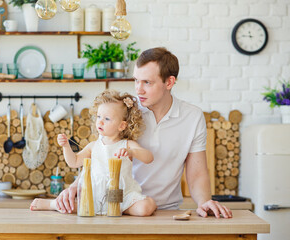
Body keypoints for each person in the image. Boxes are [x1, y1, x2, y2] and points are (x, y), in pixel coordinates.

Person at [51, 47, 232, 219]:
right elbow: (100, 156)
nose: (138, 89)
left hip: (166, 212)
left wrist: (204, 202)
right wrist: (75, 187)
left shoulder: (192, 117)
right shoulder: (125, 112)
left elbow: (197, 173)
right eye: (136, 80)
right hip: (119, 207)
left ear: (169, 82)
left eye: (147, 82)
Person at [30, 90, 157, 216]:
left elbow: (148, 158)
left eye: (107, 119)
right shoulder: (93, 146)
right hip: (95, 195)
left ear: (122, 126)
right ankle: (52, 204)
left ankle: (126, 208)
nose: (100, 122)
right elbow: (74, 162)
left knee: (144, 208)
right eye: (99, 117)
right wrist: (66, 146)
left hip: (122, 196)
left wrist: (132, 152)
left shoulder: (127, 145)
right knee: (72, 207)